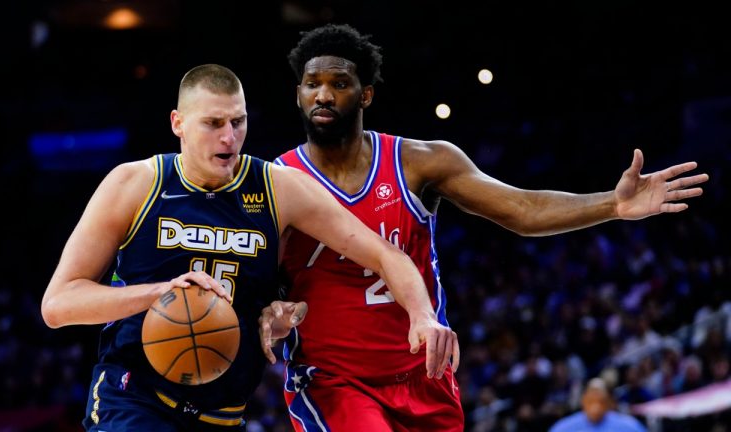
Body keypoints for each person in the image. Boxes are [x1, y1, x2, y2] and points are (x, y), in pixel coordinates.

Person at [262, 23, 708, 431]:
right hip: (335, 381)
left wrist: (613, 203)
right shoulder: (276, 182)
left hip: (424, 375)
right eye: (312, 84)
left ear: (366, 95)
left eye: (339, 83)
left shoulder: (419, 162)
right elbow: (257, 278)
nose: (323, 95)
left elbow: (521, 209)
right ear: (298, 93)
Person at [40, 63, 457, 432]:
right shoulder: (135, 184)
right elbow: (59, 304)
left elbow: (385, 253)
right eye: (213, 123)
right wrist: (159, 294)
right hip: (134, 398)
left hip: (225, 411)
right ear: (178, 123)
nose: (229, 137)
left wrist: (423, 316)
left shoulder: (277, 188)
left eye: (238, 122)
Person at [549, 378, 647, 432]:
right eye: (592, 400)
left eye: (600, 400)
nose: (596, 406)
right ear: (583, 401)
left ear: (608, 402)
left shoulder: (629, 426)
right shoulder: (563, 427)